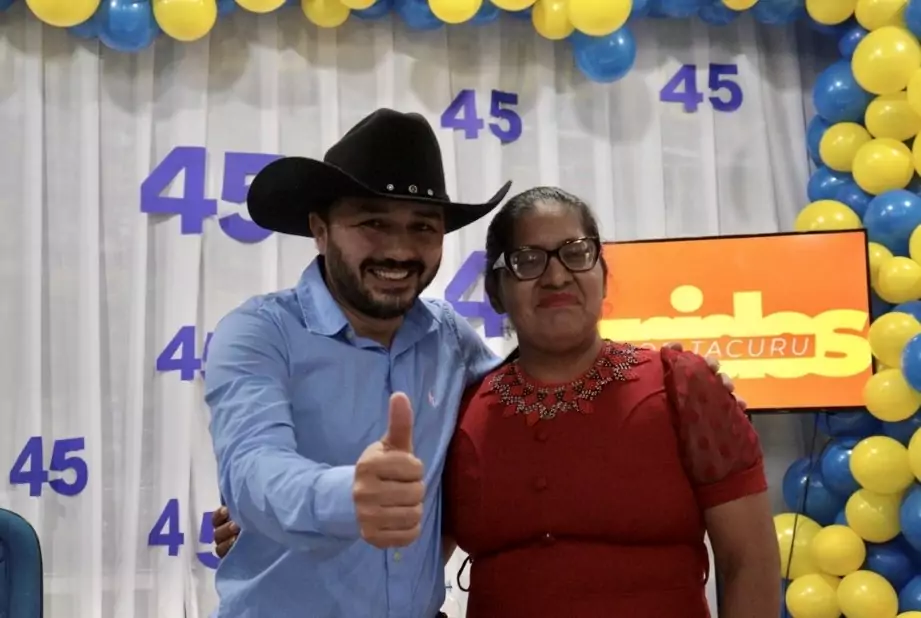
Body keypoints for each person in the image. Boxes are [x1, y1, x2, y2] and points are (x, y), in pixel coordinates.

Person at [205, 108, 743, 617]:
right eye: (373, 222)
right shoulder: (258, 334)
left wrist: (687, 388)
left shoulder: (448, 340)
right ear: (320, 230)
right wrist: (341, 496)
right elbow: (253, 468)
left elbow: (542, 374)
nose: (399, 249)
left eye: (422, 227)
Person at [441, 187, 780, 617]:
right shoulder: (461, 409)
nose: (557, 276)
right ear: (495, 289)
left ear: (602, 273)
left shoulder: (683, 387)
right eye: (528, 260)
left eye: (576, 253)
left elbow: (750, 562)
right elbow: (414, 561)